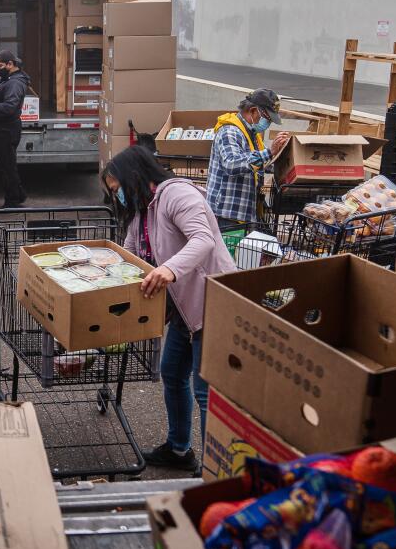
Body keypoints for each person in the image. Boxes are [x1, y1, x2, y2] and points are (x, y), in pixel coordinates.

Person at [103, 145, 237, 473]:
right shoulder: (141, 210)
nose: (116, 196)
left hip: (213, 302)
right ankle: (179, 450)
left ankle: (212, 469)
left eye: (117, 189)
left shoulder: (178, 195)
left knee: (205, 390)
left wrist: (168, 270)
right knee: (173, 373)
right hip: (182, 309)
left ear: (133, 178)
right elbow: (132, 254)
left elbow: (202, 240)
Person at [206, 88, 292, 225]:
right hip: (226, 214)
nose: (267, 124)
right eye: (267, 118)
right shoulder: (230, 132)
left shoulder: (252, 134)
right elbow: (232, 164)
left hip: (243, 212)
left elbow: (260, 163)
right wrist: (269, 152)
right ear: (252, 111)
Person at [0, 51, 30, 208]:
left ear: (10, 64)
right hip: (1, 128)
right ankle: (18, 195)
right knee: (7, 164)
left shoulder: (15, 83)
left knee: (7, 166)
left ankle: (13, 201)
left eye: (0, 65)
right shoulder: (6, 79)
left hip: (6, 130)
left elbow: (10, 107)